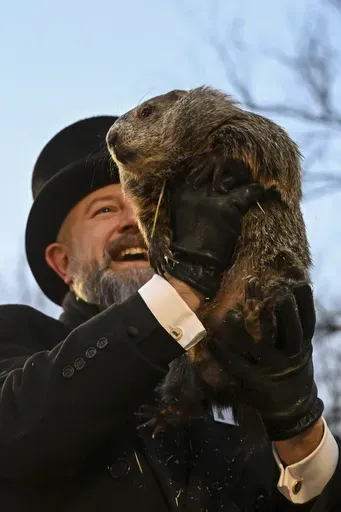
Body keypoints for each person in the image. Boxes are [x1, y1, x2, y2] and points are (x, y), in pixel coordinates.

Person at [0, 116, 339, 512]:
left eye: (147, 205)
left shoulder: (224, 384)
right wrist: (183, 287)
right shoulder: (18, 334)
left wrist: (296, 419)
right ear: (62, 262)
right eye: (105, 209)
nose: (134, 221)